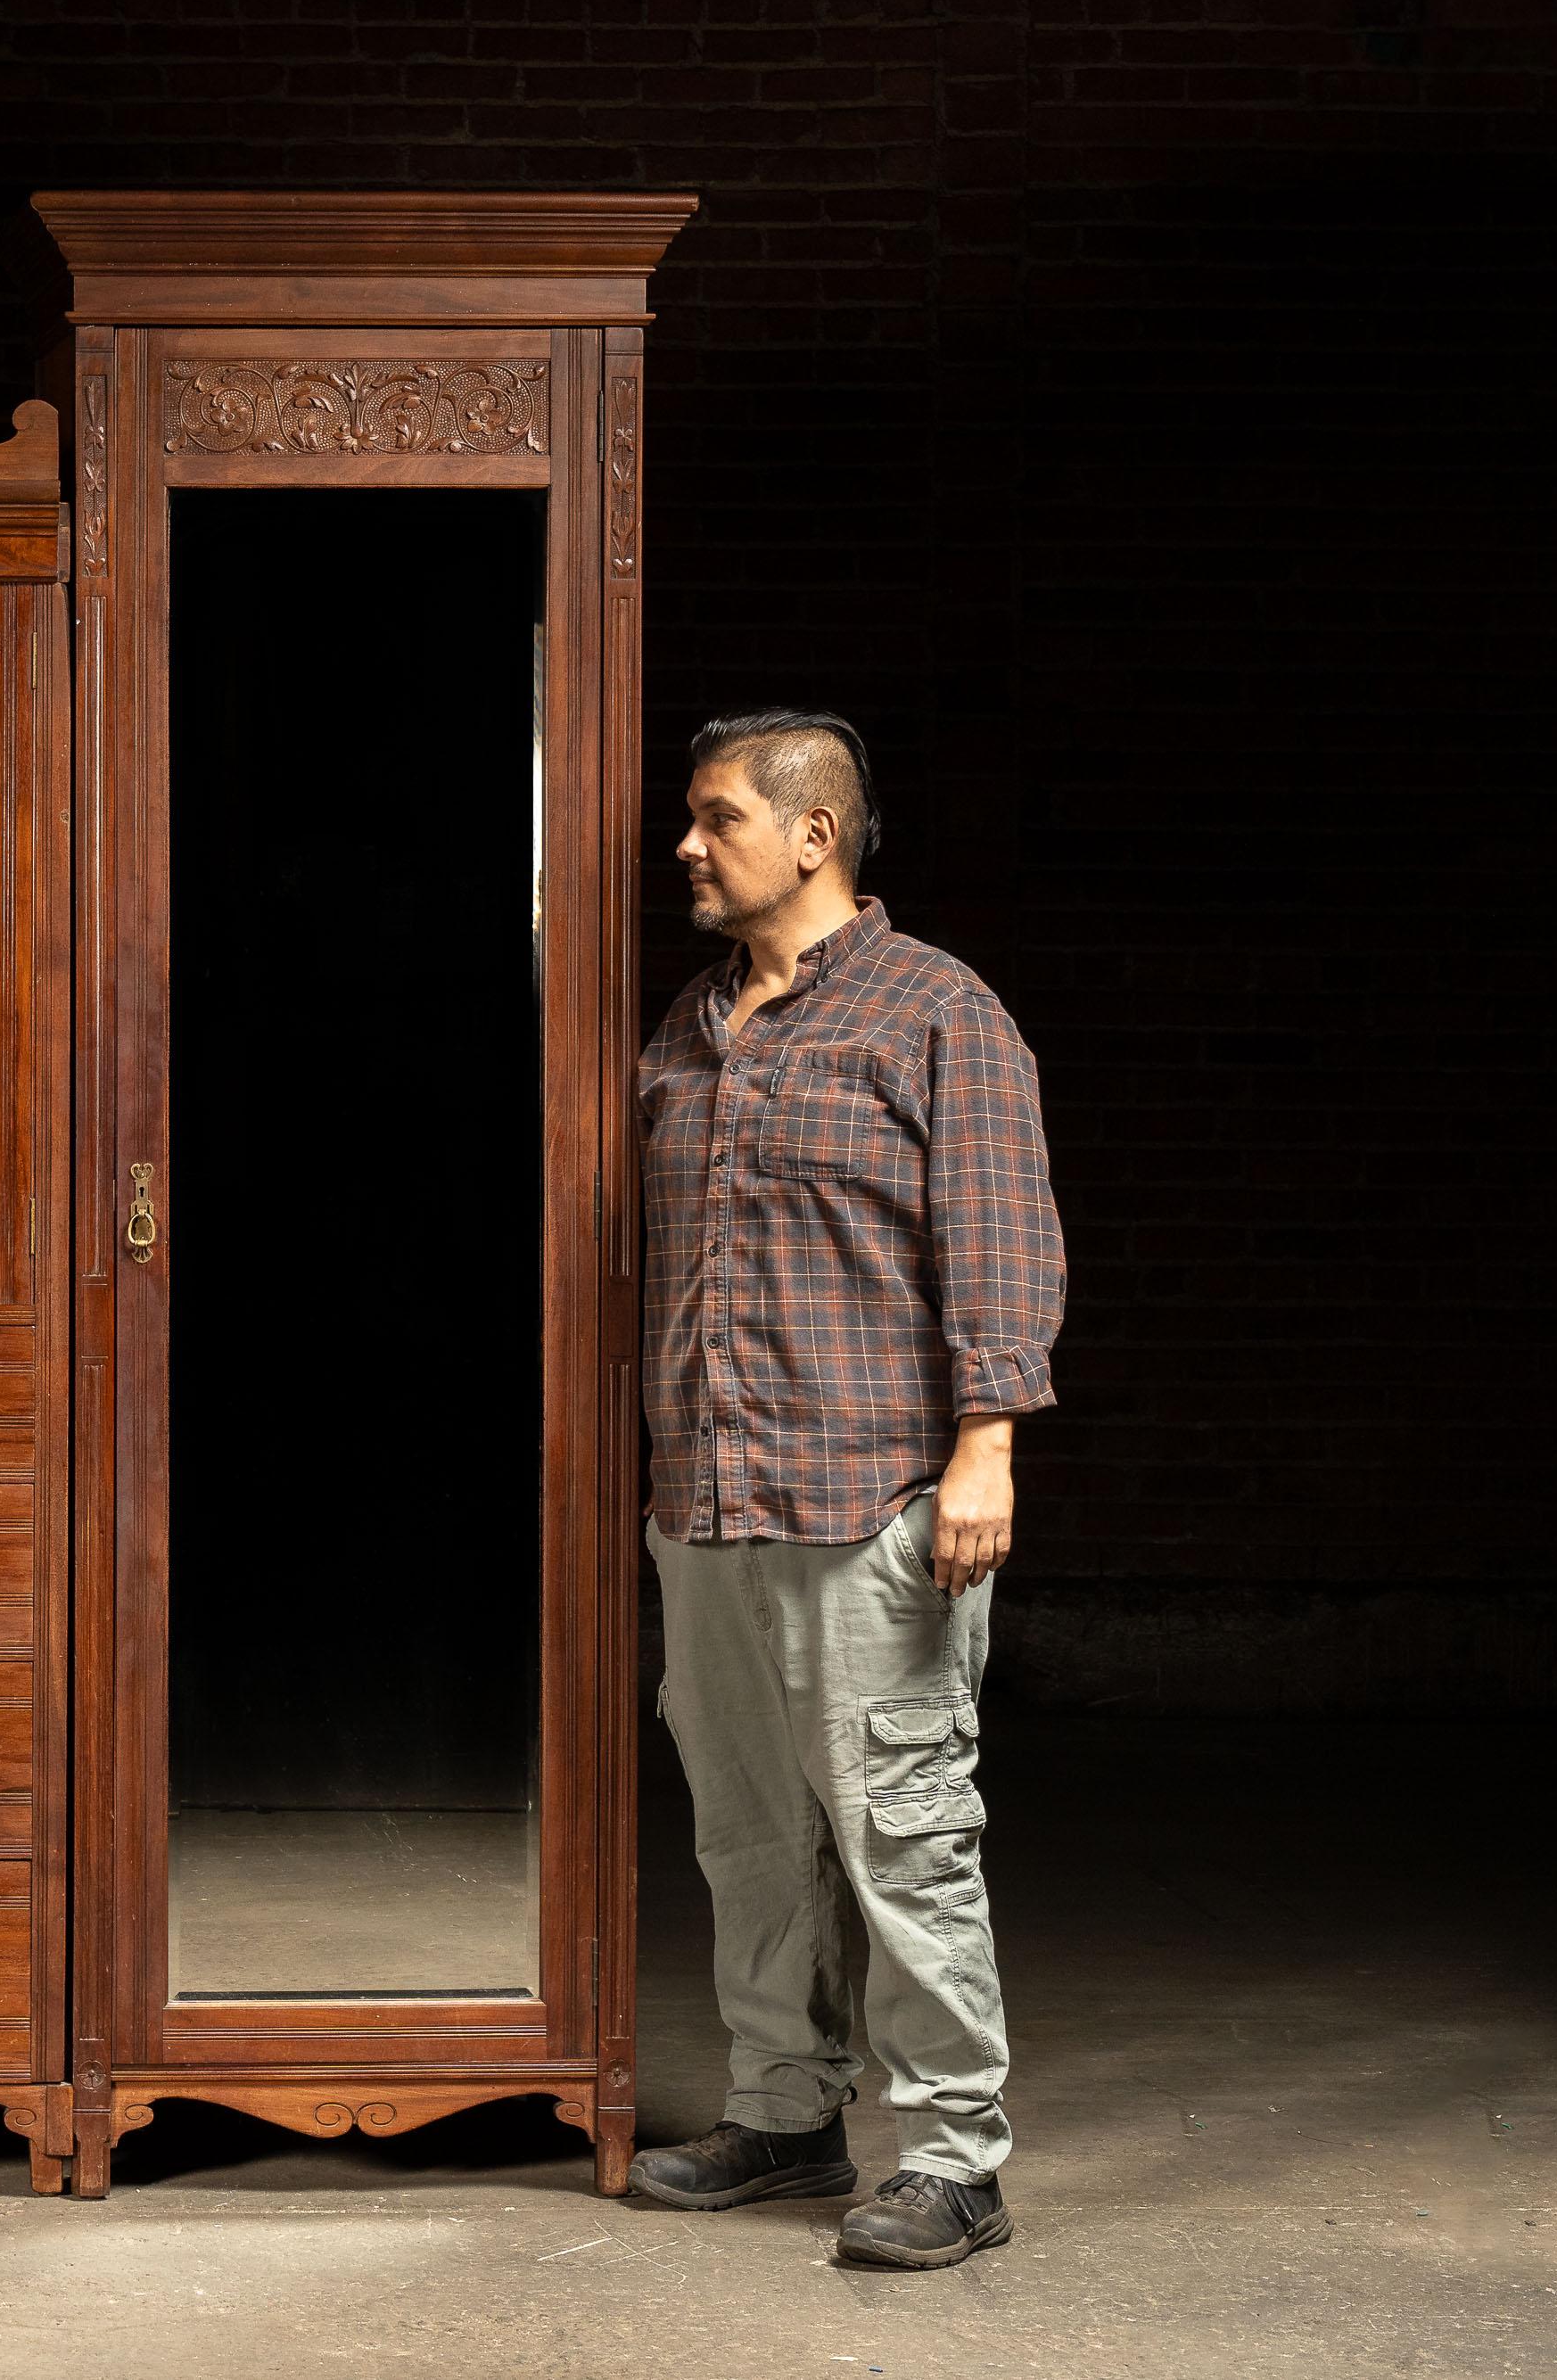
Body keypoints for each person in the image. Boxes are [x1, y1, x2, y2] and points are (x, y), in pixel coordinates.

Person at [626, 711, 1065, 2270]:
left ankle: (954, 2158)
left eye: (714, 816)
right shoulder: (688, 1024)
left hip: (870, 1499)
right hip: (706, 1503)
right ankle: (786, 2111)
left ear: (812, 835)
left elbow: (1001, 1238)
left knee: (901, 1831)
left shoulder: (936, 1012)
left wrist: (986, 1445)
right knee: (745, 1834)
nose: (686, 843)